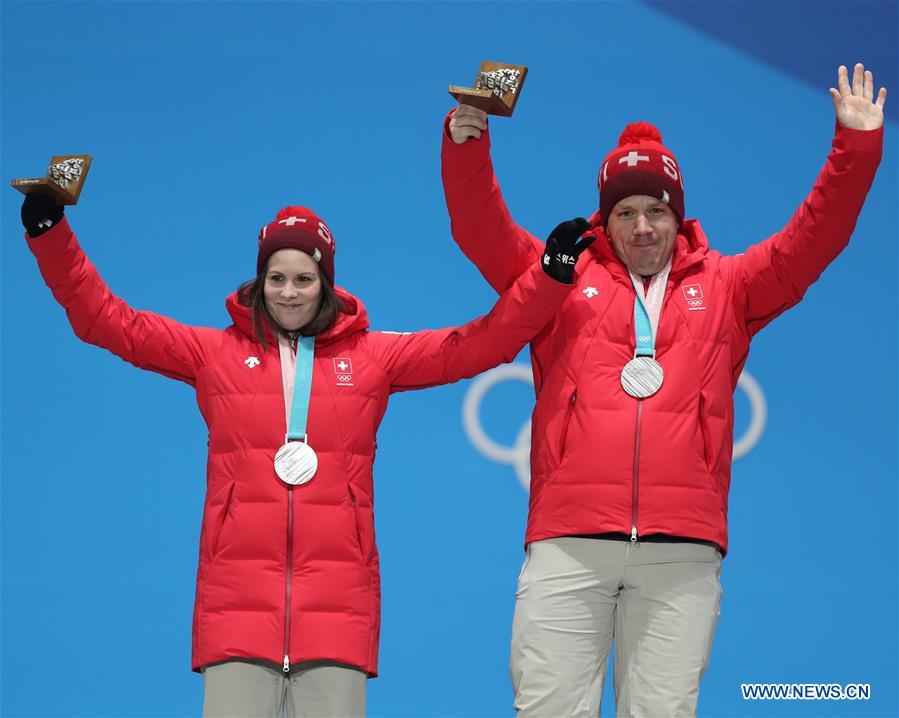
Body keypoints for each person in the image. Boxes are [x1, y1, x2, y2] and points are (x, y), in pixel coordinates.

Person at [19, 195, 594, 717]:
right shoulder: (212, 354)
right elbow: (107, 320)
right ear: (258, 281)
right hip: (236, 617)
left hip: (337, 617)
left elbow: (481, 343)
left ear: (325, 283)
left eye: (302, 278)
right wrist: (51, 234)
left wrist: (548, 277)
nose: (288, 292)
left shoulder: (375, 359)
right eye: (275, 278)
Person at [441, 64, 886, 716]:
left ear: (678, 216)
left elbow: (811, 243)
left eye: (656, 210)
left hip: (681, 551)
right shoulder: (555, 281)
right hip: (569, 541)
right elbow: (479, 230)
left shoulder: (730, 287)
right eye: (626, 211)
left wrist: (855, 147)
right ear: (605, 218)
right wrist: (466, 144)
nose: (642, 226)